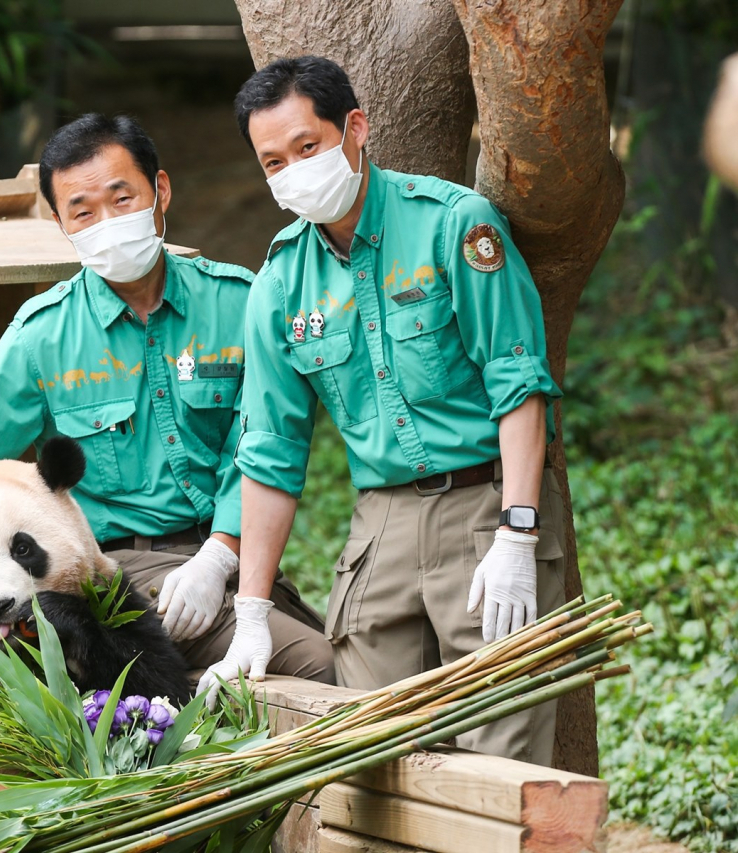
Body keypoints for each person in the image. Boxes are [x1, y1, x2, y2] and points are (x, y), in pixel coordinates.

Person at [200, 56, 566, 765]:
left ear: (356, 128)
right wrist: (250, 613)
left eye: (307, 147)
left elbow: (517, 381)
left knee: (503, 752)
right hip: (381, 528)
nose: (293, 171)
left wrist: (518, 532)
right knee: (371, 760)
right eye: (273, 161)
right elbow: (270, 451)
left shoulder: (454, 225)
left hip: (483, 504)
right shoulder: (279, 284)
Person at [0, 113, 334, 685]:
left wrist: (219, 556)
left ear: (160, 191)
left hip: (225, 558)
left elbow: (258, 445)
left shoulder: (239, 303)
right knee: (317, 667)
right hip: (109, 572)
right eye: (83, 212)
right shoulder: (42, 336)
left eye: (122, 200)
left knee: (323, 652)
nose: (107, 223)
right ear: (60, 223)